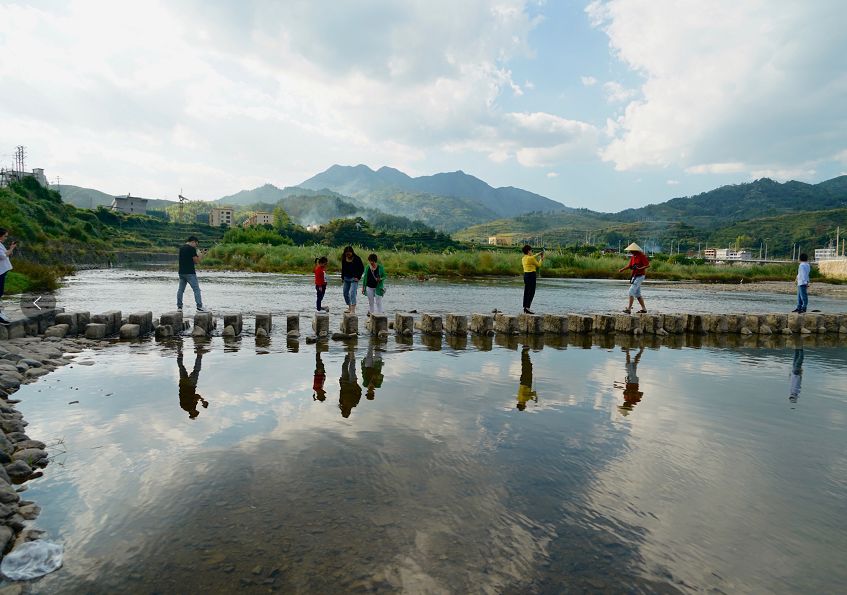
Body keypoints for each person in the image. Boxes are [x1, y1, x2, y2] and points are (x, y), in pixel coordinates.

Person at [177, 346, 209, 419]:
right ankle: (179, 354)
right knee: (181, 367)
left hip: (190, 385)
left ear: (192, 413)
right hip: (183, 384)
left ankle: (199, 354)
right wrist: (201, 400)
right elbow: (193, 397)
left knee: (196, 370)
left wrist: (202, 400)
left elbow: (195, 396)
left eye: (196, 413)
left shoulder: (189, 406)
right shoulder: (186, 407)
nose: (197, 412)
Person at [618, 242, 650, 314]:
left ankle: (629, 309)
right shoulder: (633, 257)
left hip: (640, 276)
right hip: (635, 276)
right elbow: (630, 266)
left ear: (635, 250)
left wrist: (640, 268)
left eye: (631, 250)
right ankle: (644, 309)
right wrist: (622, 269)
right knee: (638, 294)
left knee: (631, 291)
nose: (630, 252)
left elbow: (647, 265)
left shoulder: (641, 256)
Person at [177, 236, 207, 312]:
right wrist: (201, 254)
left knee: (181, 290)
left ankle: (179, 307)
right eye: (196, 244)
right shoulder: (191, 249)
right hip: (190, 272)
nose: (196, 246)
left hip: (181, 272)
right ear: (193, 241)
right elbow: (196, 261)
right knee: (196, 290)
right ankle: (199, 307)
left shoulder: (181, 248)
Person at [617, 346, 645, 416]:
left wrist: (629, 391)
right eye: (624, 405)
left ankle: (641, 350)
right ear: (627, 406)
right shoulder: (634, 400)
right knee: (628, 364)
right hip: (633, 381)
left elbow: (625, 391)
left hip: (632, 381)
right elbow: (641, 393)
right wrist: (634, 392)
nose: (624, 403)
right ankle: (627, 351)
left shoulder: (628, 399)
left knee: (634, 363)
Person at [0, 228, 19, 324]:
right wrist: (11, 249)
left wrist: (11, 248)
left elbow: (7, 254)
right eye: (5, 236)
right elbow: (3, 256)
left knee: (0, 292)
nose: (6, 238)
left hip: (2, 271)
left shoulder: (1, 244)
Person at [340, 246, 365, 315]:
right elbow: (343, 268)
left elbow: (362, 268)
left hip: (354, 278)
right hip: (346, 278)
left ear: (352, 252)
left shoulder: (357, 258)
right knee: (345, 293)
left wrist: (358, 277)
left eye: (349, 253)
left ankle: (353, 310)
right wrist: (342, 277)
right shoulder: (344, 258)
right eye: (346, 254)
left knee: (352, 293)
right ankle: (349, 307)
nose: (348, 255)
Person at [338, 348, 362, 418]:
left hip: (344, 382)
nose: (345, 410)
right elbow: (360, 391)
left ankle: (348, 355)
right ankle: (352, 354)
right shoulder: (354, 403)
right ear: (349, 411)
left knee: (344, 367)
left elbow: (341, 391)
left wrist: (340, 383)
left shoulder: (341, 402)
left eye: (344, 411)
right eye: (346, 412)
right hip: (352, 383)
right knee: (352, 368)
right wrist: (356, 385)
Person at [521, 244, 544, 314]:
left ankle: (525, 307)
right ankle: (528, 308)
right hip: (531, 275)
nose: (532, 252)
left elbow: (532, 256)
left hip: (525, 275)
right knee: (531, 292)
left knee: (526, 292)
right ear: (528, 251)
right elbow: (539, 265)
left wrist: (538, 254)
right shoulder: (531, 258)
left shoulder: (523, 258)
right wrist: (541, 259)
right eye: (531, 250)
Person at [516, 345, 538, 411]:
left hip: (526, 382)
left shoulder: (522, 399)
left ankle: (525, 351)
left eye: (524, 406)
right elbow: (526, 396)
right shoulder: (519, 399)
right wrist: (533, 398)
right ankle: (525, 352)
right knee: (527, 366)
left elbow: (525, 395)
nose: (525, 405)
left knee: (527, 366)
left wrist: (534, 395)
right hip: (524, 382)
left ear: (522, 405)